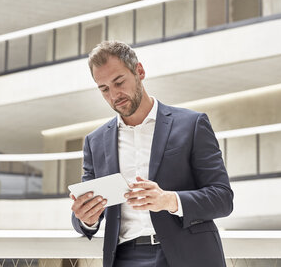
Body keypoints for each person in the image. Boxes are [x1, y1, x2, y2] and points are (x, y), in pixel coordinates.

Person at [70, 40, 234, 267]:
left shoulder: (192, 125)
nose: (114, 95)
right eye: (104, 89)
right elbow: (87, 213)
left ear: (139, 71)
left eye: (119, 82)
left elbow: (222, 198)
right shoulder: (94, 142)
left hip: (190, 256)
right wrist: (85, 219)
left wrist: (169, 200)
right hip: (125, 258)